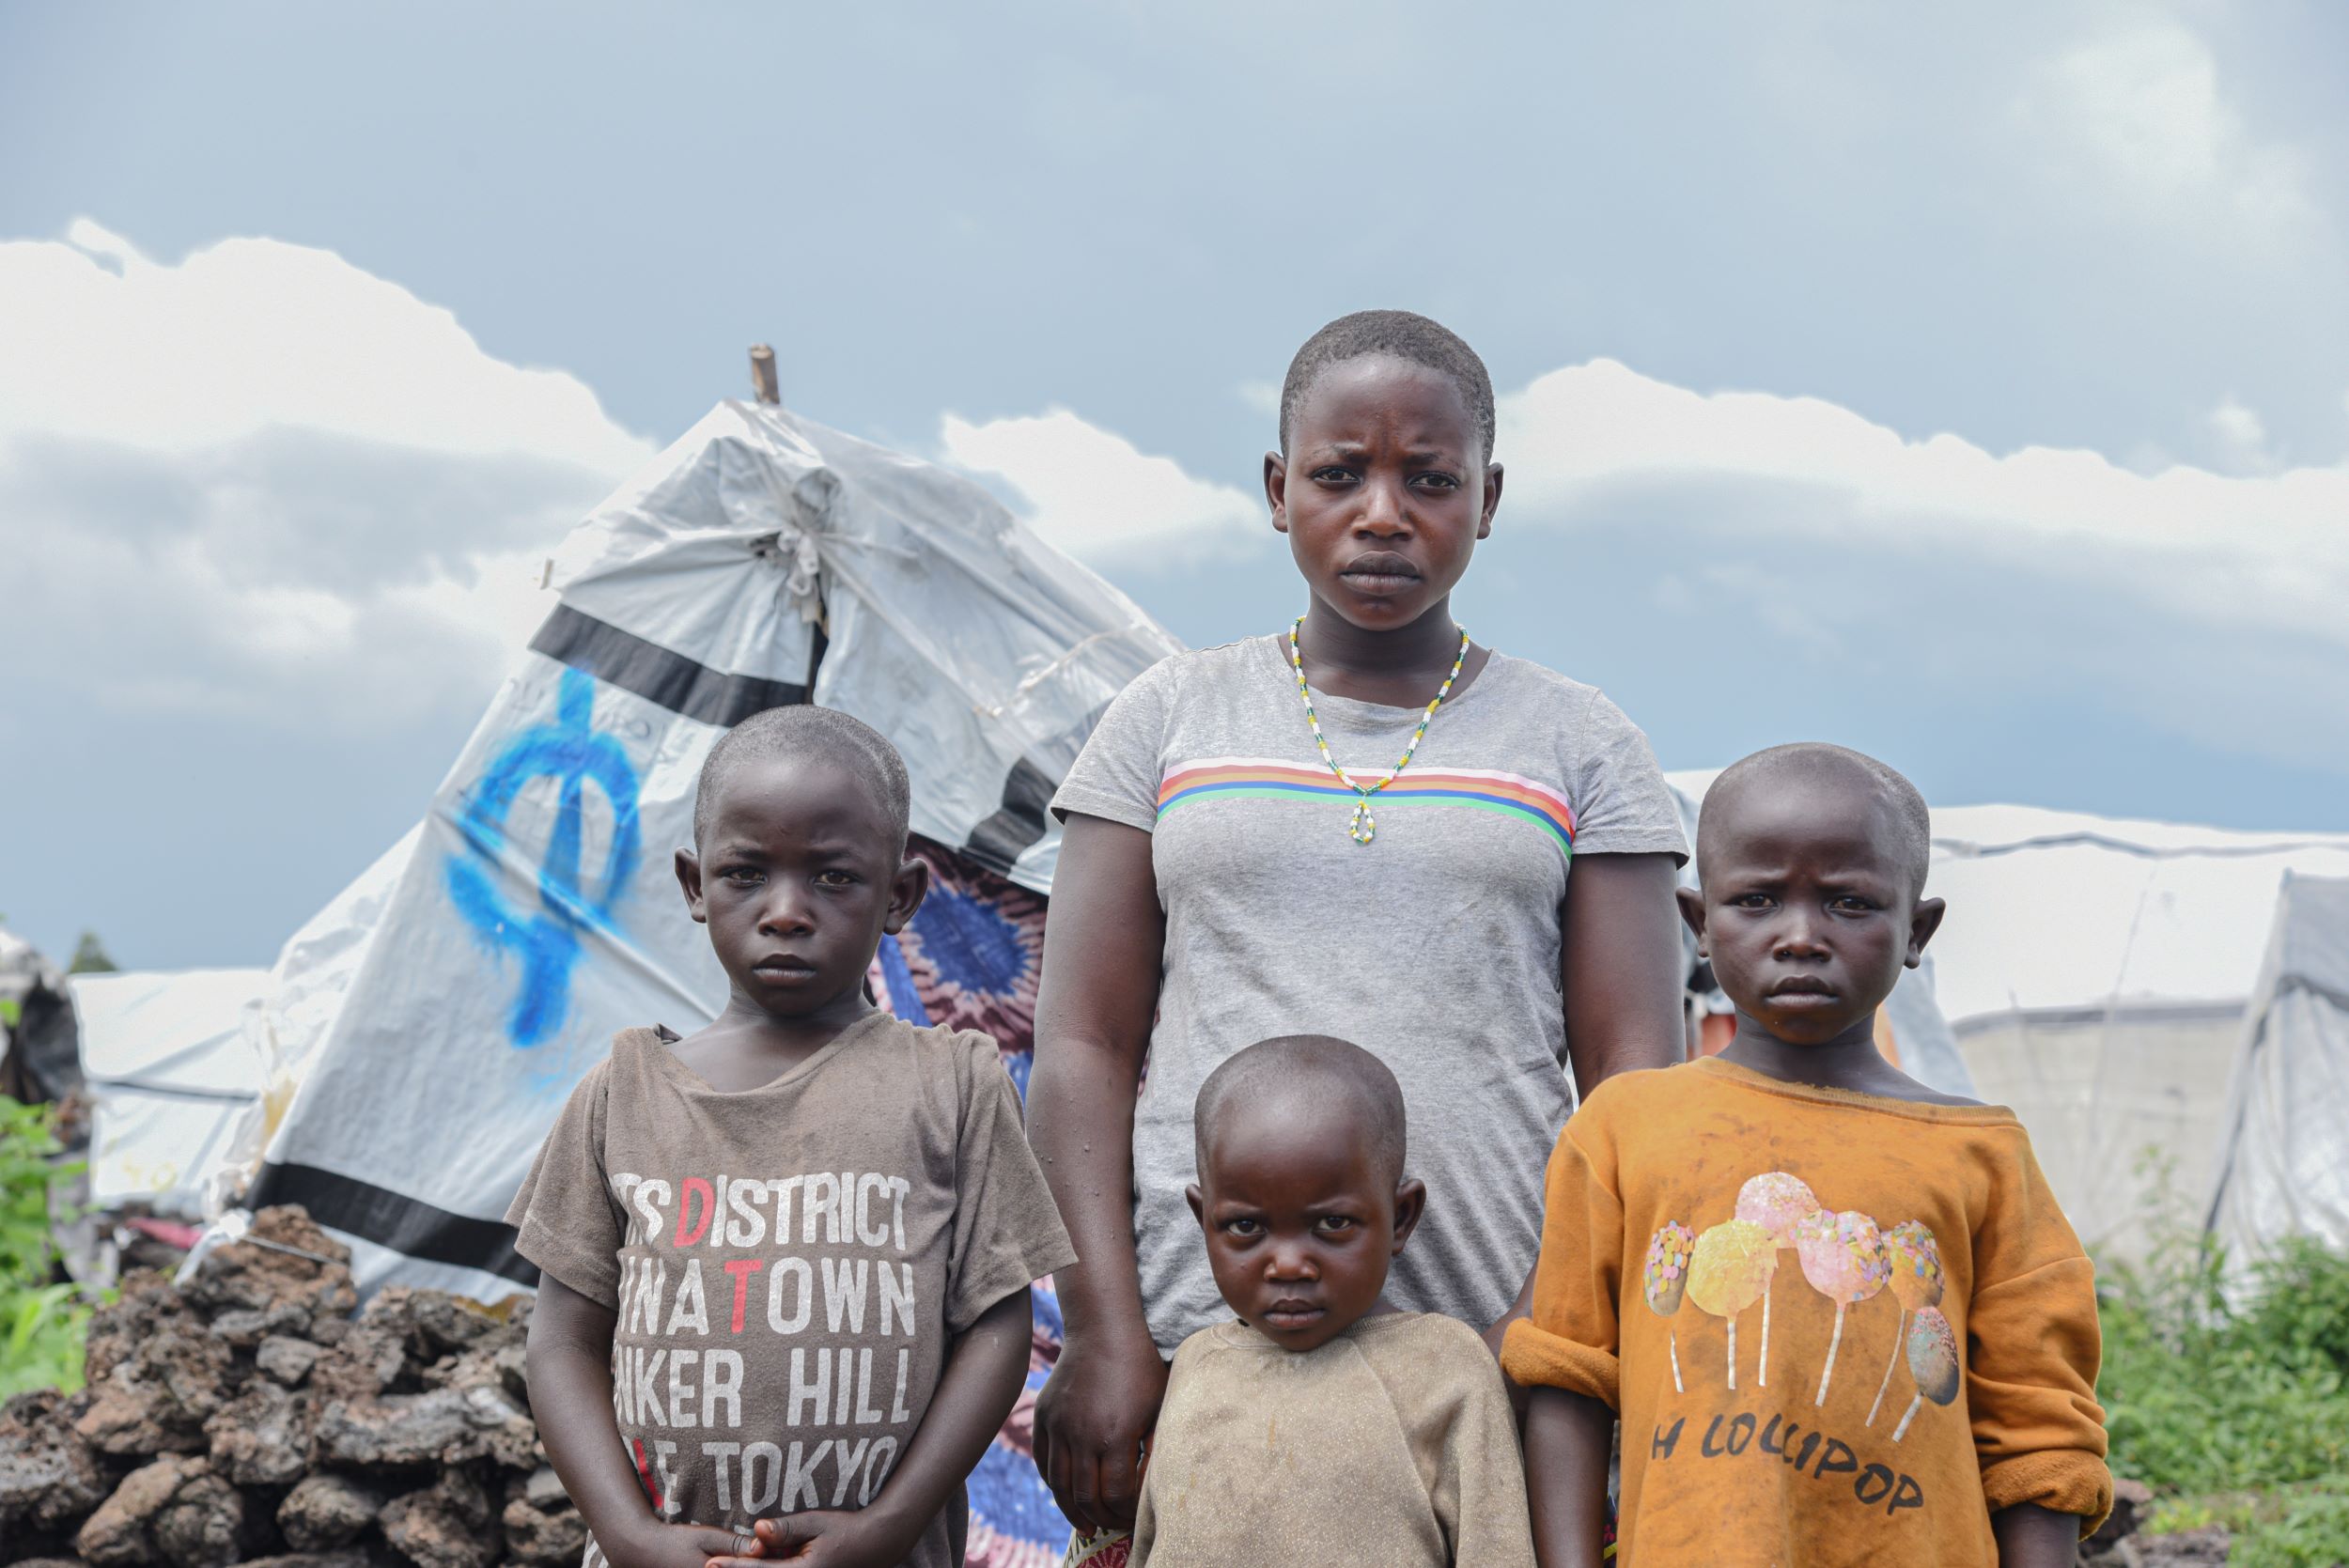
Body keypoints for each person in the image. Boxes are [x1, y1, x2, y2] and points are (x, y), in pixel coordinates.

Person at [1030, 308, 1690, 1546]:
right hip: (1206, 1352)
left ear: (1485, 499)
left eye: (1428, 479)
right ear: (1280, 490)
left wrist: (1613, 1357)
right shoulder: (1167, 720)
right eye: (1341, 473)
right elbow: (1078, 1047)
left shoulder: (1580, 742)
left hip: (1498, 1357)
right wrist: (1106, 1331)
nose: (1383, 512)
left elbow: (1636, 1089)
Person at [1504, 744, 2112, 1567]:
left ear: (1916, 931)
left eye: (1849, 902)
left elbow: (2041, 1429)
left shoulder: (1981, 1155)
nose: (1799, 936)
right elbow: (1566, 1375)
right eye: (1756, 899)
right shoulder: (1625, 1128)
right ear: (1701, 925)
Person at [510, 706, 1077, 1568]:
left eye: (833, 878)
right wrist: (630, 1535)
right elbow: (559, 1344)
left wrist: (889, 1524)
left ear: (901, 896)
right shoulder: (624, 1093)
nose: (785, 910)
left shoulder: (953, 1082)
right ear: (695, 886)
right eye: (745, 873)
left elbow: (995, 1329)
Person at [1128, 1034, 1536, 1566]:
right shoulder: (1195, 1366)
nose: (1290, 1265)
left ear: (1402, 1217)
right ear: (1203, 1221)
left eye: (1333, 1223)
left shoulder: (1450, 1367)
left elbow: (1496, 1549)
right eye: (1245, 1226)